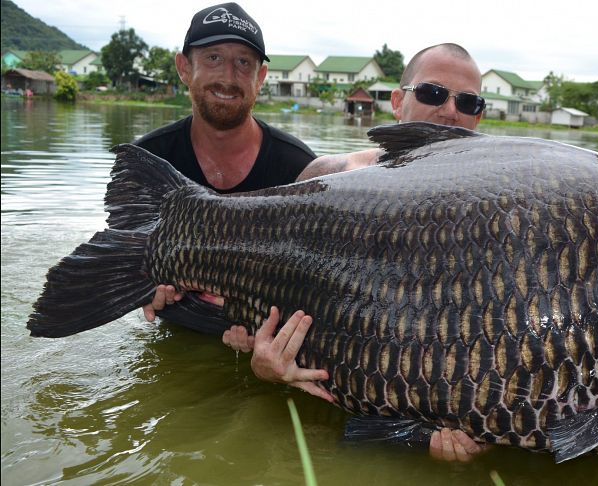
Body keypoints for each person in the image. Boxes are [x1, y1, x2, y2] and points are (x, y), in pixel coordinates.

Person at [152, 43, 489, 462]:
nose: (450, 111)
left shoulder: (495, 215)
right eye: (434, 94)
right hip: (308, 410)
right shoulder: (331, 175)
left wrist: (476, 425)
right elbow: (263, 306)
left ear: (479, 117)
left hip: (400, 413)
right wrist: (259, 359)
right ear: (398, 102)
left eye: (469, 102)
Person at [140, 2, 316, 328]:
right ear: (183, 67)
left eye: (243, 63)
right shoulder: (151, 158)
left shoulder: (300, 168)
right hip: (176, 330)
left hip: (261, 341)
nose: (227, 77)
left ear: (260, 77)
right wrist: (141, 289)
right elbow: (124, 256)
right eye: (214, 58)